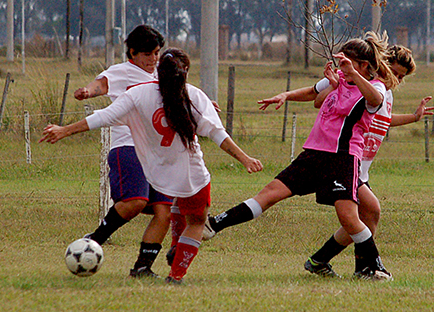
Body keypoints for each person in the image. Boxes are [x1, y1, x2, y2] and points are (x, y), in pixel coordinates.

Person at [41, 48, 263, 284]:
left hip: (157, 173)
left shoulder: (137, 95)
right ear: (185, 72)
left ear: (158, 71)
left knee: (173, 205)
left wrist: (64, 130)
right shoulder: (195, 97)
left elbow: (102, 117)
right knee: (197, 222)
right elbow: (218, 135)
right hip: (190, 175)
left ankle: (166, 251)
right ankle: (176, 275)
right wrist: (245, 158)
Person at [203, 31, 399, 281]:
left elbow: (375, 100)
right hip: (314, 154)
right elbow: (311, 93)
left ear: (362, 65)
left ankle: (373, 268)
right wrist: (285, 96)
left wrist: (354, 76)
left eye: (347, 62)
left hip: (342, 158)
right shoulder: (339, 78)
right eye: (341, 62)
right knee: (269, 194)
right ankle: (213, 225)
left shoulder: (374, 86)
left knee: (352, 218)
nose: (342, 67)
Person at [255, 45, 434, 278]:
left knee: (367, 216)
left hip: (361, 168)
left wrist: (413, 117)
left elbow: (384, 120)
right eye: (395, 72)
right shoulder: (360, 84)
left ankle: (322, 261)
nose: (397, 79)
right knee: (365, 215)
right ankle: (364, 268)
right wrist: (318, 88)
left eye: (401, 77)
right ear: (380, 64)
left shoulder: (380, 92)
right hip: (345, 160)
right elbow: (317, 98)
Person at [73, 24, 174, 278]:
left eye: (157, 53)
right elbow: (102, 84)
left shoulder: (160, 75)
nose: (153, 59)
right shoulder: (123, 72)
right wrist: (88, 91)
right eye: (148, 54)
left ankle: (142, 268)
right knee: (135, 202)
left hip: (155, 153)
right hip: (127, 146)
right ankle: (95, 239)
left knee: (164, 212)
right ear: (132, 52)